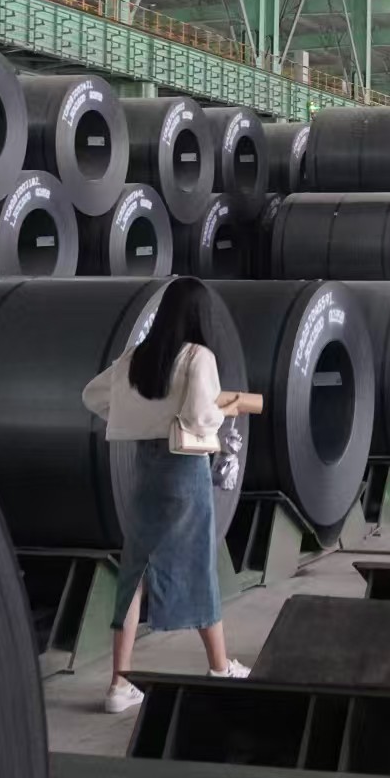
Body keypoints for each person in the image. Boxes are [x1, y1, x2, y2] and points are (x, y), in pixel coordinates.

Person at [81, 277, 265, 714]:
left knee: (135, 572)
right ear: (199, 315)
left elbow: (92, 396)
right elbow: (199, 419)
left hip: (146, 471)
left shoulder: (136, 357)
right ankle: (220, 667)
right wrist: (226, 409)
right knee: (198, 565)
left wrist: (139, 417)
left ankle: (118, 685)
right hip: (184, 471)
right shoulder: (199, 357)